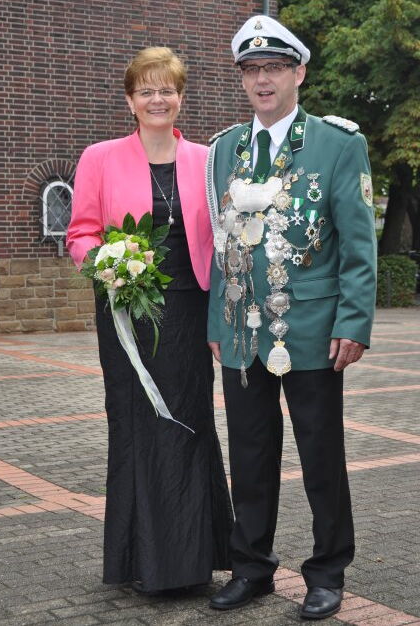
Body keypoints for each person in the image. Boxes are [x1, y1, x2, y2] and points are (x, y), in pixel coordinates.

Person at [206, 15, 377, 619]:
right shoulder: (225, 149)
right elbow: (222, 244)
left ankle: (327, 572)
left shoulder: (337, 143)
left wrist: (353, 322)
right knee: (250, 459)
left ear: (298, 73)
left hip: (311, 332)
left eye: (274, 68)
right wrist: (216, 324)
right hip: (241, 331)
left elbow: (358, 245)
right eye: (252, 69)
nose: (263, 80)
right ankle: (251, 569)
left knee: (320, 458)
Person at [67, 46, 233, 593]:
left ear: (180, 96)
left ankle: (193, 559)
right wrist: (107, 264)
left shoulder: (207, 160)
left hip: (189, 311)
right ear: (130, 100)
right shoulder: (100, 157)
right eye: (146, 90)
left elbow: (224, 238)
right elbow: (81, 232)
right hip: (127, 313)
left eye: (167, 89)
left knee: (189, 423)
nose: (157, 99)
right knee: (136, 426)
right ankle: (140, 562)